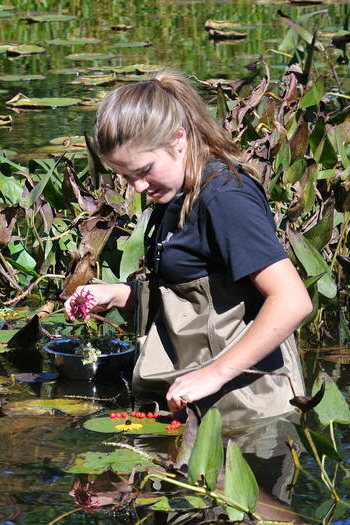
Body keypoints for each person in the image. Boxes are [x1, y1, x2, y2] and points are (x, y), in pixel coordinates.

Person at [63, 70, 310, 423]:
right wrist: (117, 295)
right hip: (194, 401)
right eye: (126, 176)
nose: (136, 187)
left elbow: (291, 300)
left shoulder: (225, 197)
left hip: (247, 409)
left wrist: (216, 373)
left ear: (179, 138)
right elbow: (200, 297)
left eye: (144, 170)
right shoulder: (177, 191)